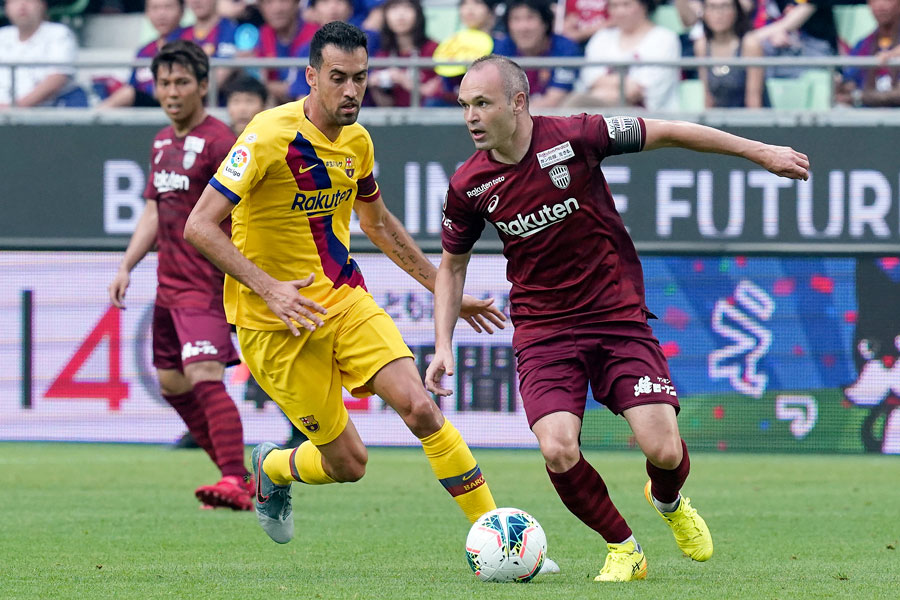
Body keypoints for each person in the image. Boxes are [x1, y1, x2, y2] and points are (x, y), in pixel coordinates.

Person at [425, 55, 809, 582]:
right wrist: (443, 343)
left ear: (518, 103)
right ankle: (623, 548)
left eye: (482, 103)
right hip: (543, 330)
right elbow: (452, 267)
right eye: (465, 105)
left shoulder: (578, 136)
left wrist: (761, 152)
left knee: (664, 449)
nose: (470, 116)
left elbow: (669, 130)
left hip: (615, 316)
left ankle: (669, 503)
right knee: (558, 449)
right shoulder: (468, 184)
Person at [182, 22, 513, 549]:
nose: (352, 90)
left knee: (421, 407)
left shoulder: (357, 141)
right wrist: (270, 288)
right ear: (311, 77)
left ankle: (500, 537)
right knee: (349, 464)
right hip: (274, 322)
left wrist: (441, 289)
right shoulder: (269, 135)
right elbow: (198, 225)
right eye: (339, 78)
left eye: (360, 78)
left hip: (344, 299)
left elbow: (378, 225)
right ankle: (274, 466)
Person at [108, 40, 254, 511]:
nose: (171, 92)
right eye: (164, 83)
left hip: (207, 285)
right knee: (172, 384)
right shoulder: (160, 142)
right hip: (167, 287)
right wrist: (127, 264)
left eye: (181, 82)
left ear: (204, 86)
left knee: (204, 374)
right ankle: (239, 479)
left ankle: (234, 477)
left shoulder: (219, 143)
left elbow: (242, 215)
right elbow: (153, 210)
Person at [566, 0, 681, 110]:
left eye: (626, 5)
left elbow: (642, 90)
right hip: (600, 111)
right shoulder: (602, 37)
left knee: (576, 104)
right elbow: (591, 80)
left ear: (644, 6)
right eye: (614, 6)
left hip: (647, 117)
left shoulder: (664, 38)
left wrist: (604, 87)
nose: (619, 12)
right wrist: (625, 84)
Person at [492, 0, 582, 108]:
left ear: (545, 23)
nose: (523, 27)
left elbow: (553, 100)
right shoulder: (501, 48)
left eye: (530, 18)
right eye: (516, 19)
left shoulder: (565, 48)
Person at [99, 0, 184, 109]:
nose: (161, 14)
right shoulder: (144, 50)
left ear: (182, 10)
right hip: (143, 110)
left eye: (168, 7)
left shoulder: (191, 42)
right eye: (155, 8)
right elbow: (132, 85)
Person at [0, 0, 84, 108]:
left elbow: (57, 78)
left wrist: (15, 108)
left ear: (42, 5)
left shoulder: (59, 33)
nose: (22, 5)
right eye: (15, 1)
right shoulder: (2, 35)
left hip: (44, 114)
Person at [370, 0, 443, 107]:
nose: (400, 15)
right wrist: (375, 88)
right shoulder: (383, 55)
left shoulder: (434, 49)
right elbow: (387, 106)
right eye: (394, 8)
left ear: (418, 14)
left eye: (407, 7)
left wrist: (404, 80)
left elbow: (437, 95)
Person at [695, 0, 768, 107]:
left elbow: (754, 100)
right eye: (712, 7)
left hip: (750, 120)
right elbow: (708, 97)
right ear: (704, 12)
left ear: (736, 10)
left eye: (725, 6)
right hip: (719, 120)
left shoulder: (750, 44)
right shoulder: (701, 45)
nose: (718, 13)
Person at [836, 0, 900, 107]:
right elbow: (849, 83)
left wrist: (859, 97)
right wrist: (841, 86)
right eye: (874, 0)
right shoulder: (862, 46)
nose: (881, 5)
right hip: (868, 118)